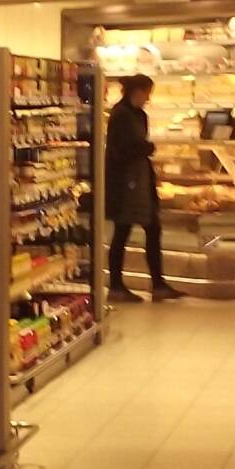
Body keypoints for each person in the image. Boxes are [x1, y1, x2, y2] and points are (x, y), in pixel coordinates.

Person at [104, 74, 182, 302]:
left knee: (147, 229)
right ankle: (119, 285)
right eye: (147, 93)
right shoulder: (121, 115)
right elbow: (121, 150)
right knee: (125, 231)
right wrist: (147, 148)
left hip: (138, 181)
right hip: (126, 183)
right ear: (136, 91)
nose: (148, 98)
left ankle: (154, 284)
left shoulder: (138, 115)